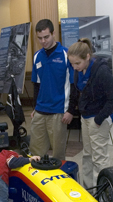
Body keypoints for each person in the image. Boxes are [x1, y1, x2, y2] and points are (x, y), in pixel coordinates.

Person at [67, 38, 113, 189]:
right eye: (72, 64)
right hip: (85, 117)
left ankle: (102, 192)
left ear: (88, 57)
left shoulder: (101, 71)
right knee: (87, 156)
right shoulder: (78, 71)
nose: (74, 67)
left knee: (99, 159)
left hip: (98, 119)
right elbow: (77, 93)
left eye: (77, 63)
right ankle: (89, 190)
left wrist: (99, 119)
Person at [29, 19, 75, 160]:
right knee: (35, 155)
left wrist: (71, 110)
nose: (43, 41)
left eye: (46, 37)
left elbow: (73, 85)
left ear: (53, 33)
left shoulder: (66, 55)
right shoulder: (37, 56)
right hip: (40, 111)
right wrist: (35, 108)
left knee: (58, 156)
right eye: (40, 38)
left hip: (59, 112)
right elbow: (36, 85)